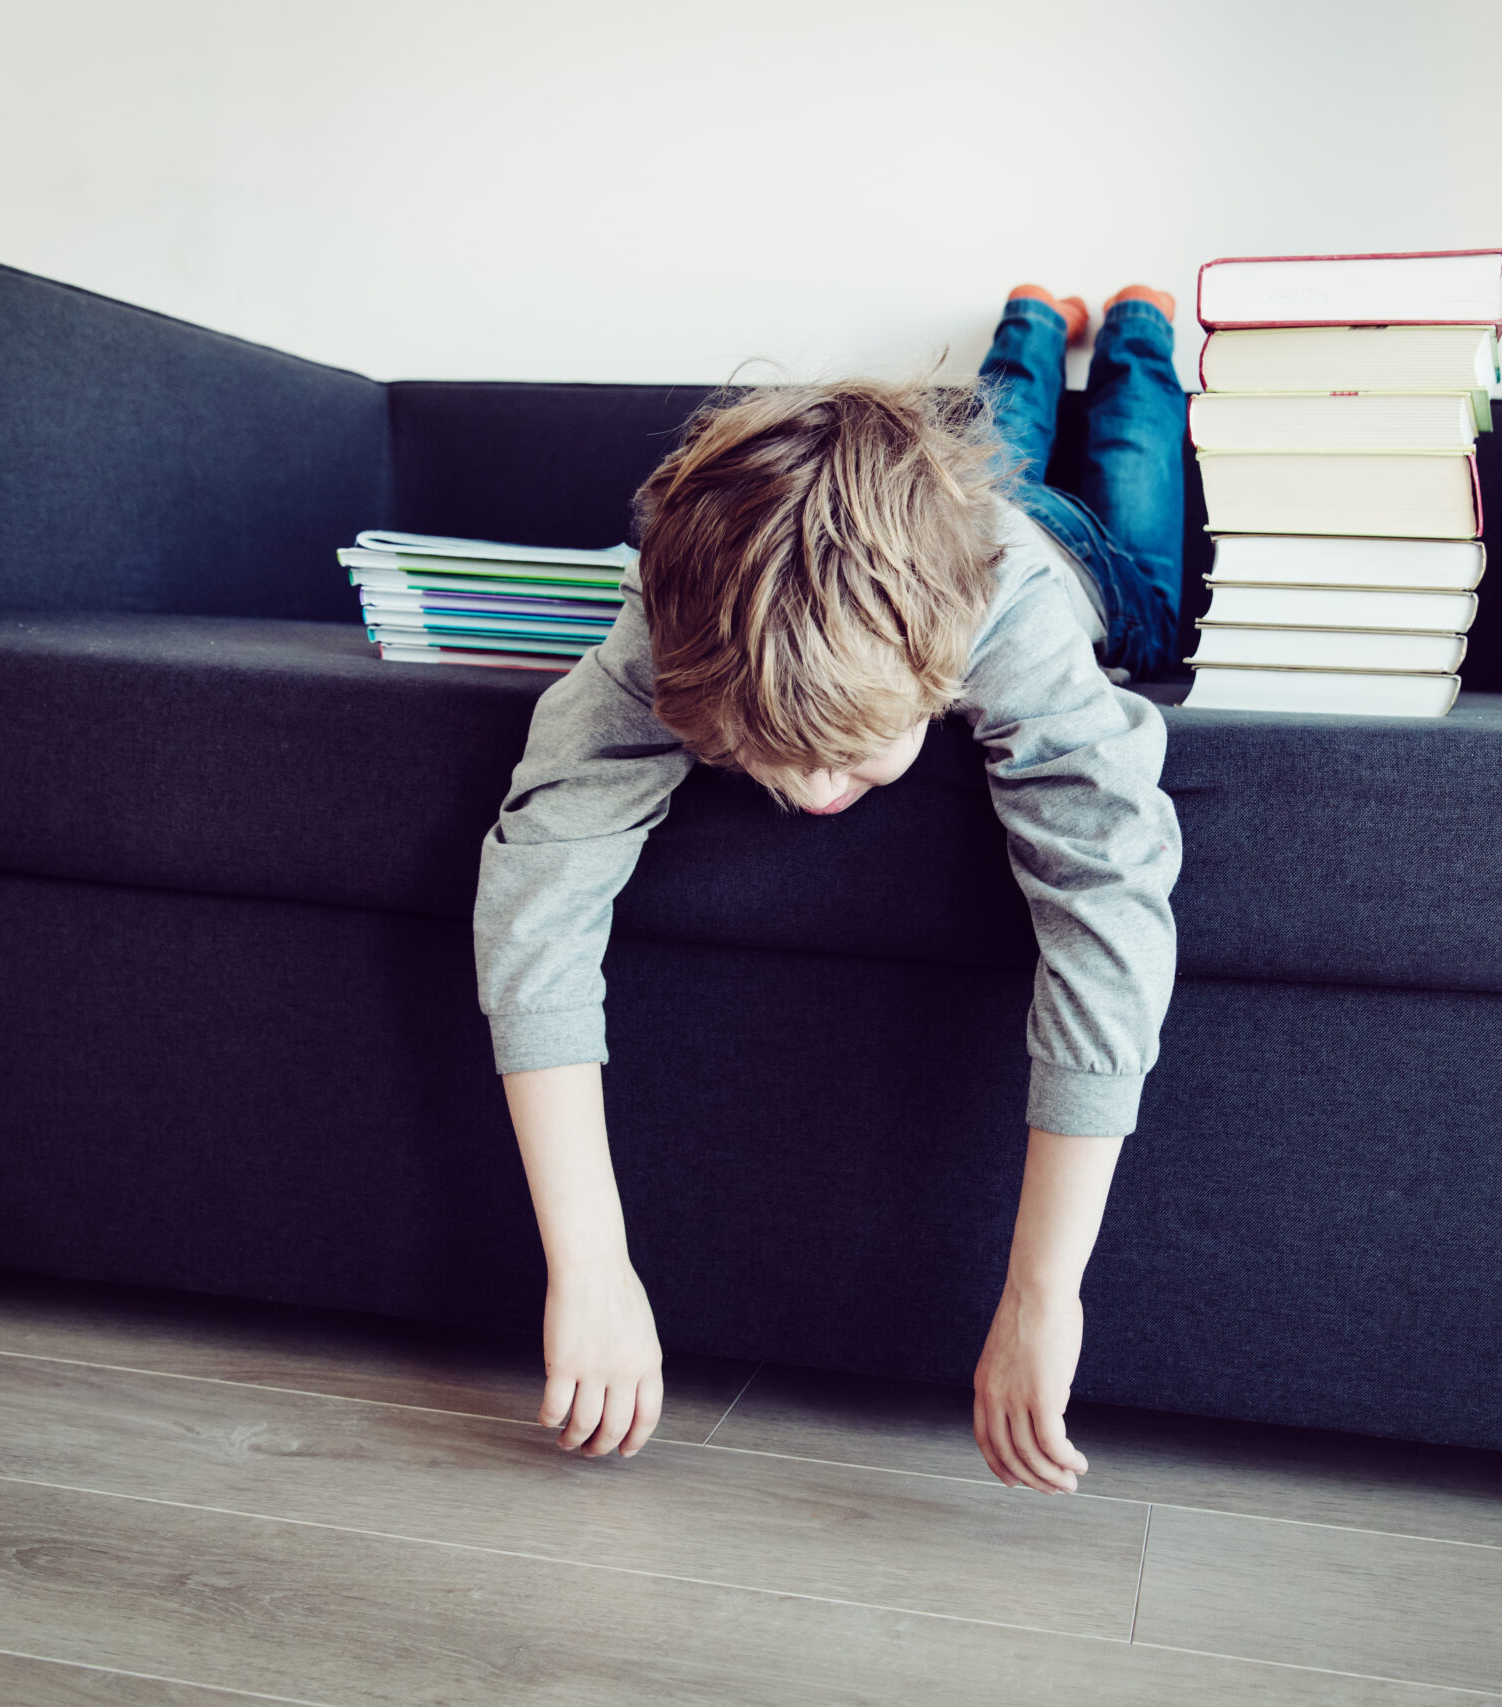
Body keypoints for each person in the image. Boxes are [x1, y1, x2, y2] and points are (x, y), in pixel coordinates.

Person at [474, 285, 1188, 1494]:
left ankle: (1133, 333)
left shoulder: (1008, 625)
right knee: (992, 421)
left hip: (1072, 558)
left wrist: (1040, 1295)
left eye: (855, 757)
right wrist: (587, 1263)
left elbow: (1109, 902)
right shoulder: (675, 611)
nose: (809, 799)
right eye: (764, 760)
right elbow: (540, 880)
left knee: (1123, 469)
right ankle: (1023, 324)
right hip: (922, 499)